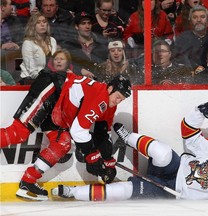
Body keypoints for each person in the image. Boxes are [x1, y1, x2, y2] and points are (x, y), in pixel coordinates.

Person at [51, 95, 208, 202]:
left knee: (123, 192)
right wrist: (202, 111)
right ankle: (128, 139)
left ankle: (72, 192)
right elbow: (187, 128)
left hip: (167, 192)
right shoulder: (204, 149)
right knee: (163, 152)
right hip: (172, 170)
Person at [0, 64, 131, 201]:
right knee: (19, 133)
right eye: (118, 96)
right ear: (110, 88)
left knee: (62, 143)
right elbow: (78, 131)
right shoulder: (100, 96)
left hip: (60, 108)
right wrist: (92, 156)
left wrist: (108, 163)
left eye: (121, 99)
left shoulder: (109, 106)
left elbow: (102, 135)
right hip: (52, 88)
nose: (118, 101)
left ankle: (28, 181)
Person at [173, 5, 208, 73]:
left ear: (207, 20)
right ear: (190, 21)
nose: (199, 20)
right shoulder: (181, 40)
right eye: (195, 17)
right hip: (190, 78)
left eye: (202, 17)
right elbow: (178, 62)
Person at [61, 11, 108, 78]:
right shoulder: (70, 46)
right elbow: (64, 65)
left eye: (89, 23)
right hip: (78, 82)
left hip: (99, 82)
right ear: (76, 27)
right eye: (83, 23)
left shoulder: (101, 44)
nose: (87, 26)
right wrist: (80, 70)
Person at [19, 12, 57, 85]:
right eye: (38, 22)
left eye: (44, 22)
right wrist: (47, 80)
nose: (42, 24)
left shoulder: (52, 40)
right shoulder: (28, 43)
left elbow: (55, 64)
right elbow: (32, 70)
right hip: (30, 80)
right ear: (33, 26)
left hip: (49, 79)